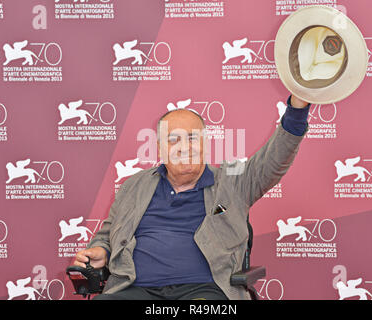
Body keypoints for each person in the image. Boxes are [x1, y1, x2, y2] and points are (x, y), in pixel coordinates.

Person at [73, 94, 310, 300]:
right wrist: (100, 250)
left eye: (192, 138)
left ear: (205, 143)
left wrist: (297, 109)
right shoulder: (133, 186)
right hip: (135, 289)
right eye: (173, 139)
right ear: (159, 147)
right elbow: (106, 236)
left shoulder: (233, 181)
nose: (184, 147)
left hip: (204, 291)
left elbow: (274, 161)